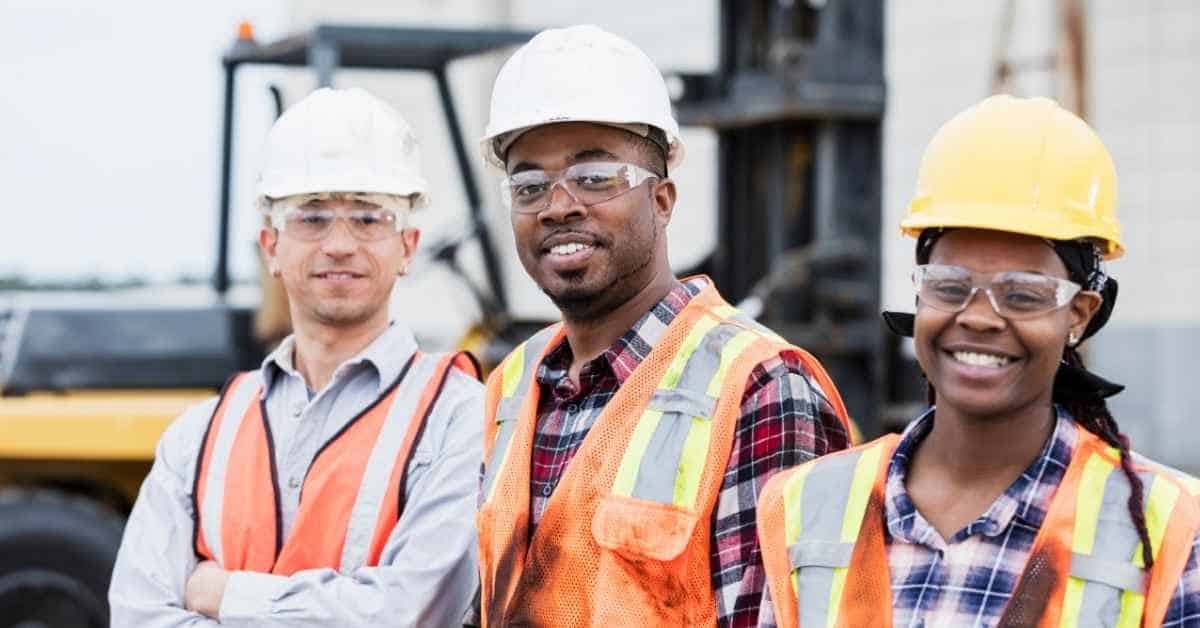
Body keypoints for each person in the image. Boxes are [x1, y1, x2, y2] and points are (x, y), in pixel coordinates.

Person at [756, 94, 1200, 627]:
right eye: (950, 286)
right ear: (919, 296)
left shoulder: (1170, 528)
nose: (981, 318)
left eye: (1023, 294)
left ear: (1079, 315)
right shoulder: (806, 506)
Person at [471, 25, 852, 627]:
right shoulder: (512, 385)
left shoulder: (759, 390)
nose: (558, 204)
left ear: (664, 199)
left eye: (595, 177)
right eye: (530, 184)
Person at [109, 87, 484, 626]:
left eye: (368, 217)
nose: (339, 243)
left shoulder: (461, 419)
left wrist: (228, 596)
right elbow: (138, 616)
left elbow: (409, 613)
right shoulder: (200, 434)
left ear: (407, 246)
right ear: (271, 247)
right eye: (311, 218)